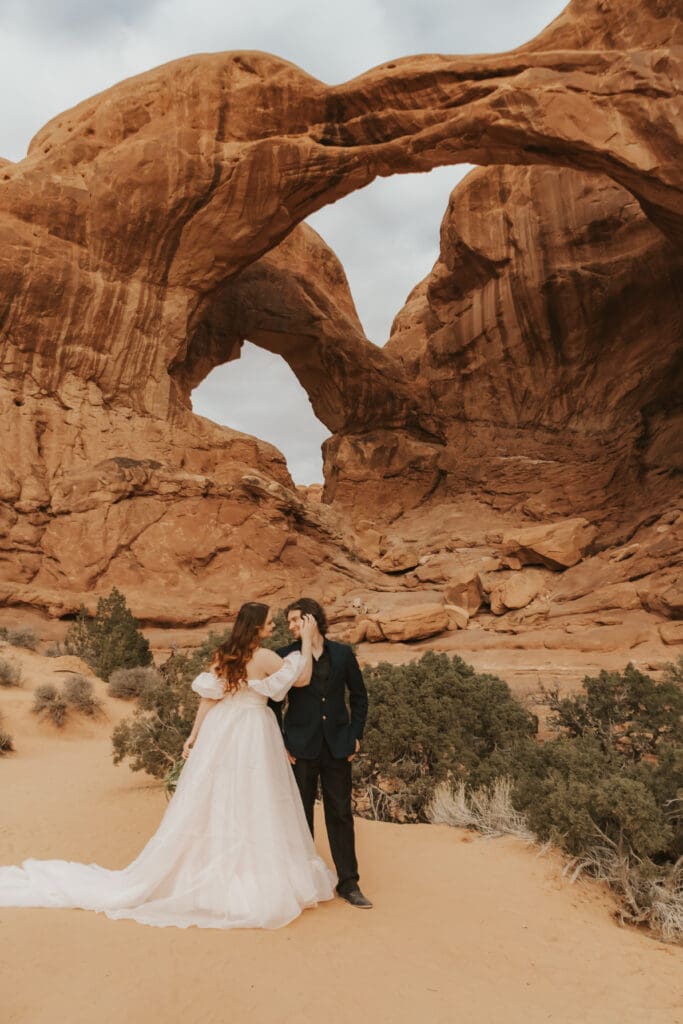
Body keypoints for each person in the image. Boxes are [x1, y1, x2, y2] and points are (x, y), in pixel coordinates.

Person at [0, 602, 336, 929]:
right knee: (253, 795)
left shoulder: (225, 654)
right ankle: (248, 875)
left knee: (216, 796)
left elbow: (209, 698)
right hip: (251, 728)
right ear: (257, 626)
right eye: (268, 622)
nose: (273, 626)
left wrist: (194, 735)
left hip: (222, 728)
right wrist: (305, 642)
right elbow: (303, 679)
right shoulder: (264, 657)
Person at [271, 597, 372, 909]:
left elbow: (359, 697)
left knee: (340, 813)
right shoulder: (284, 655)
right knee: (300, 815)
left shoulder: (342, 654)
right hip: (300, 748)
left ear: (311, 620)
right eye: (289, 622)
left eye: (294, 620)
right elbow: (274, 702)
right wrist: (283, 741)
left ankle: (349, 882)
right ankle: (303, 882)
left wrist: (355, 735)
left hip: (337, 747)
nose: (289, 626)